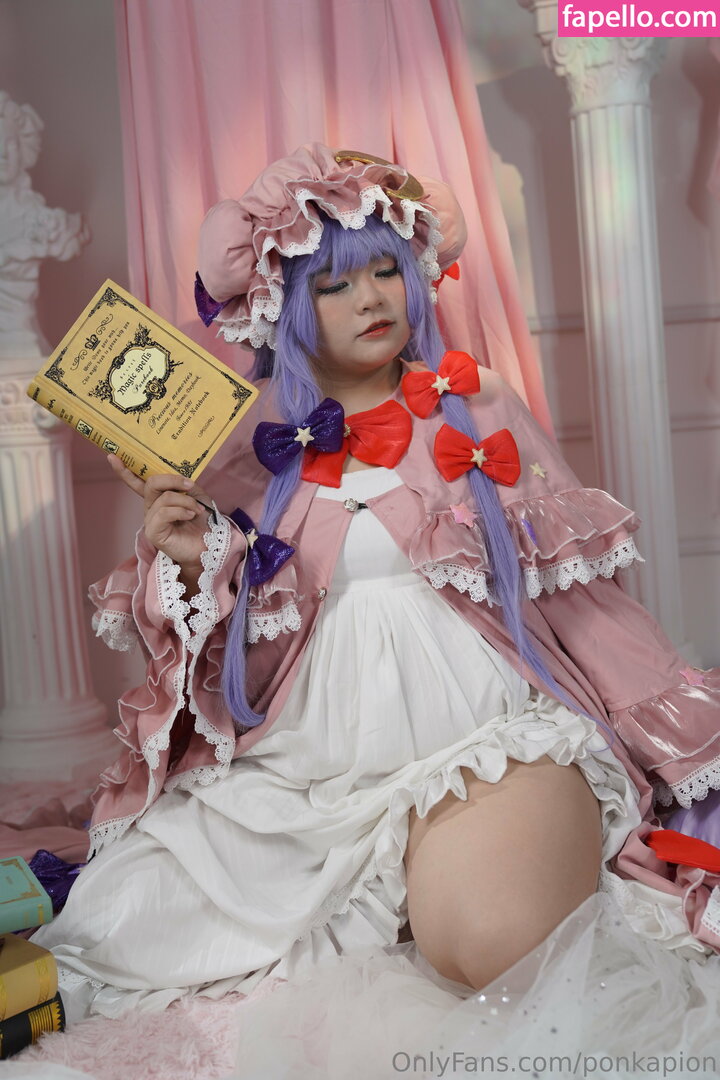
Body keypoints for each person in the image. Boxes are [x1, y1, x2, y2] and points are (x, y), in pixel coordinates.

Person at [33, 145, 720, 1048]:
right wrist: (197, 566)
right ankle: (393, 890)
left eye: (386, 272)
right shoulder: (241, 452)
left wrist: (674, 739)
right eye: (335, 285)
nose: (371, 300)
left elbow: (579, 603)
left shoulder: (478, 407)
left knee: (499, 945)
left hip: (484, 746)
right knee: (110, 928)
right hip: (311, 775)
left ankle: (450, 877)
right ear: (284, 306)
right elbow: (228, 680)